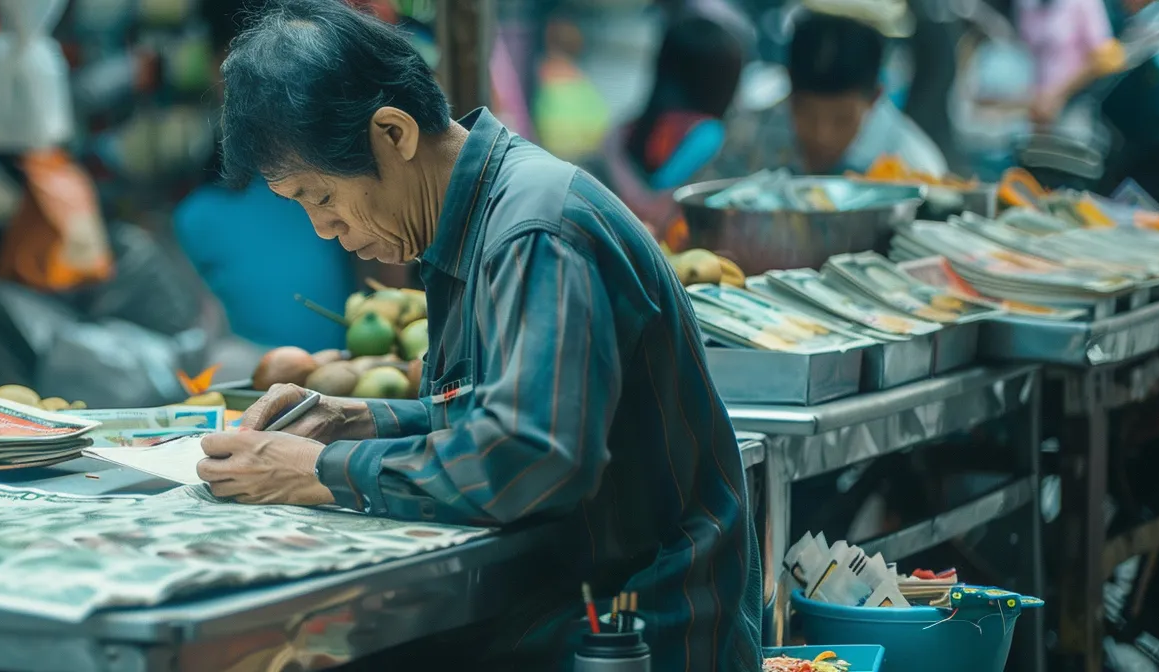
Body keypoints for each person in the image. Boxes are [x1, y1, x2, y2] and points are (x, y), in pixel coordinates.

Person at [194, 1, 763, 669]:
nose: (326, 229)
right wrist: (356, 419)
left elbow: (532, 455)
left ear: (394, 133)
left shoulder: (535, 231)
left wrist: (316, 471)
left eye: (320, 196)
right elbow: (494, 413)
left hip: (640, 629)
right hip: (563, 604)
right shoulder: (474, 219)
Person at [171, 0, 358, 352]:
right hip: (250, 389)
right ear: (219, 72)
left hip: (352, 379)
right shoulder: (196, 217)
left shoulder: (346, 183)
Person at [713, 10, 948, 176]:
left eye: (842, 119)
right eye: (805, 112)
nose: (821, 135)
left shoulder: (914, 166)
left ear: (875, 98)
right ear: (788, 89)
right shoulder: (747, 137)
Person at [592, 13, 747, 237]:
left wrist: (613, 153)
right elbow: (654, 210)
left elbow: (651, 208)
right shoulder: (706, 132)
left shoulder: (637, 127)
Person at [1014, 0, 1126, 129]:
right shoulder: (1025, 4)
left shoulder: (1085, 3)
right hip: (1035, 105)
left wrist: (1057, 96)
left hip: (1075, 101)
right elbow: (1025, 51)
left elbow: (1103, 58)